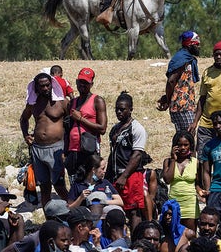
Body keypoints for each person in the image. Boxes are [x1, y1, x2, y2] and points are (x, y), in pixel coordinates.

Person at [20, 72, 69, 207]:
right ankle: (49, 220)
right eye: (42, 86)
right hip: (38, 149)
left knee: (59, 186)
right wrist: (25, 135)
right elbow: (24, 119)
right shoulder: (33, 103)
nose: (45, 88)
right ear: (36, 88)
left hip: (56, 149)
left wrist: (67, 148)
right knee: (44, 187)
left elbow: (72, 124)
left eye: (47, 85)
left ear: (52, 85)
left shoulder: (62, 102)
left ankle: (73, 212)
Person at [105, 91, 148, 232]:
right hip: (116, 176)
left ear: (130, 109)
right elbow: (113, 154)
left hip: (131, 176)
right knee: (116, 209)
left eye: (122, 109)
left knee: (134, 210)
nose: (119, 112)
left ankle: (136, 240)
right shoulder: (115, 129)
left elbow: (136, 155)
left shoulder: (137, 128)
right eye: (117, 109)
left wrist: (124, 176)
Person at [66, 68, 108, 181]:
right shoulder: (72, 102)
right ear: (76, 82)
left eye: (86, 83)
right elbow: (67, 128)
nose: (83, 85)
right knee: (75, 183)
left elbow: (102, 128)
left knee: (91, 181)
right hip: (73, 150)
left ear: (91, 84)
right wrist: (65, 151)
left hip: (89, 148)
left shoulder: (97, 100)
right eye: (81, 82)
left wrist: (80, 119)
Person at [157, 31, 201, 133]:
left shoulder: (187, 58)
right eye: (197, 44)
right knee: (188, 136)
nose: (199, 47)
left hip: (185, 105)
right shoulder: (182, 58)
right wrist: (168, 100)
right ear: (190, 44)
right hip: (182, 106)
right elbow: (171, 81)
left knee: (183, 138)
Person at [163, 130, 200, 231]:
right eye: (179, 145)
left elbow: (198, 183)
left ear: (190, 146)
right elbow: (167, 180)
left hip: (190, 204)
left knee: (190, 234)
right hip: (174, 203)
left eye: (186, 145)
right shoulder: (168, 161)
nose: (183, 148)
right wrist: (173, 160)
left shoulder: (195, 163)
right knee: (173, 233)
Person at [2, 199, 70, 252]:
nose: (68, 220)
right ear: (54, 219)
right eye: (64, 217)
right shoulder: (34, 239)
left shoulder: (70, 233)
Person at [0, 185, 24, 251]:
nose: (7, 203)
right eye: (4, 199)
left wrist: (16, 228)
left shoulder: (0, 223)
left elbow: (13, 248)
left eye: (7, 200)